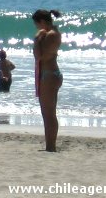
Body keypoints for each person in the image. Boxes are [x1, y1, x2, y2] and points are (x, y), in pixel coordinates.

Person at [32, 9, 63, 152]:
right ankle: (49, 145)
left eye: (37, 25)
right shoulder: (53, 33)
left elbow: (40, 56)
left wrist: (37, 38)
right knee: (47, 113)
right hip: (49, 74)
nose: (37, 28)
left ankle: (51, 146)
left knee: (49, 114)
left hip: (49, 75)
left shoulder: (50, 35)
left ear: (42, 22)